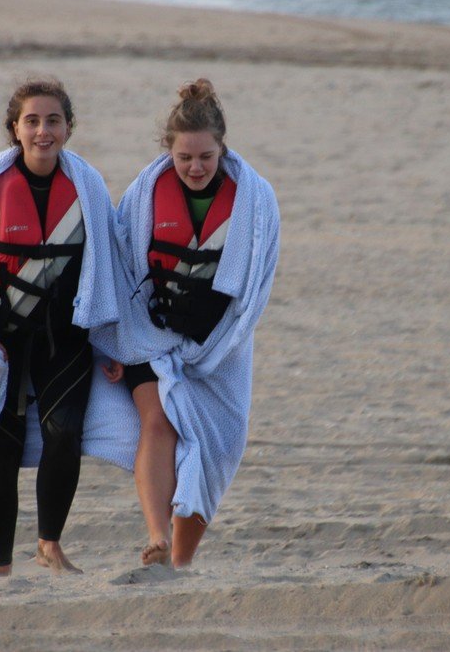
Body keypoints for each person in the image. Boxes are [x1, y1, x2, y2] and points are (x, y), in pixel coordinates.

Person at [95, 78, 280, 568]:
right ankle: (157, 534)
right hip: (146, 337)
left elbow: (255, 284)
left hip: (216, 345)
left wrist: (219, 343)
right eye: (185, 158)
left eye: (206, 157)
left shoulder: (254, 203)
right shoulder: (144, 196)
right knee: (159, 423)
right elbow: (119, 267)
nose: (195, 167)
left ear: (222, 149)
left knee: (219, 444)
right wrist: (111, 341)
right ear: (169, 153)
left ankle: (180, 561)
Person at [0, 76, 120, 576]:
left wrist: (111, 343)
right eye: (32, 121)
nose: (43, 131)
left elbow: (108, 266)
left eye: (53, 120)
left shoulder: (86, 186)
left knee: (64, 434)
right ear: (14, 130)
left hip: (65, 338)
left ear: (68, 128)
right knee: (1, 449)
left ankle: (49, 544)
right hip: (3, 339)